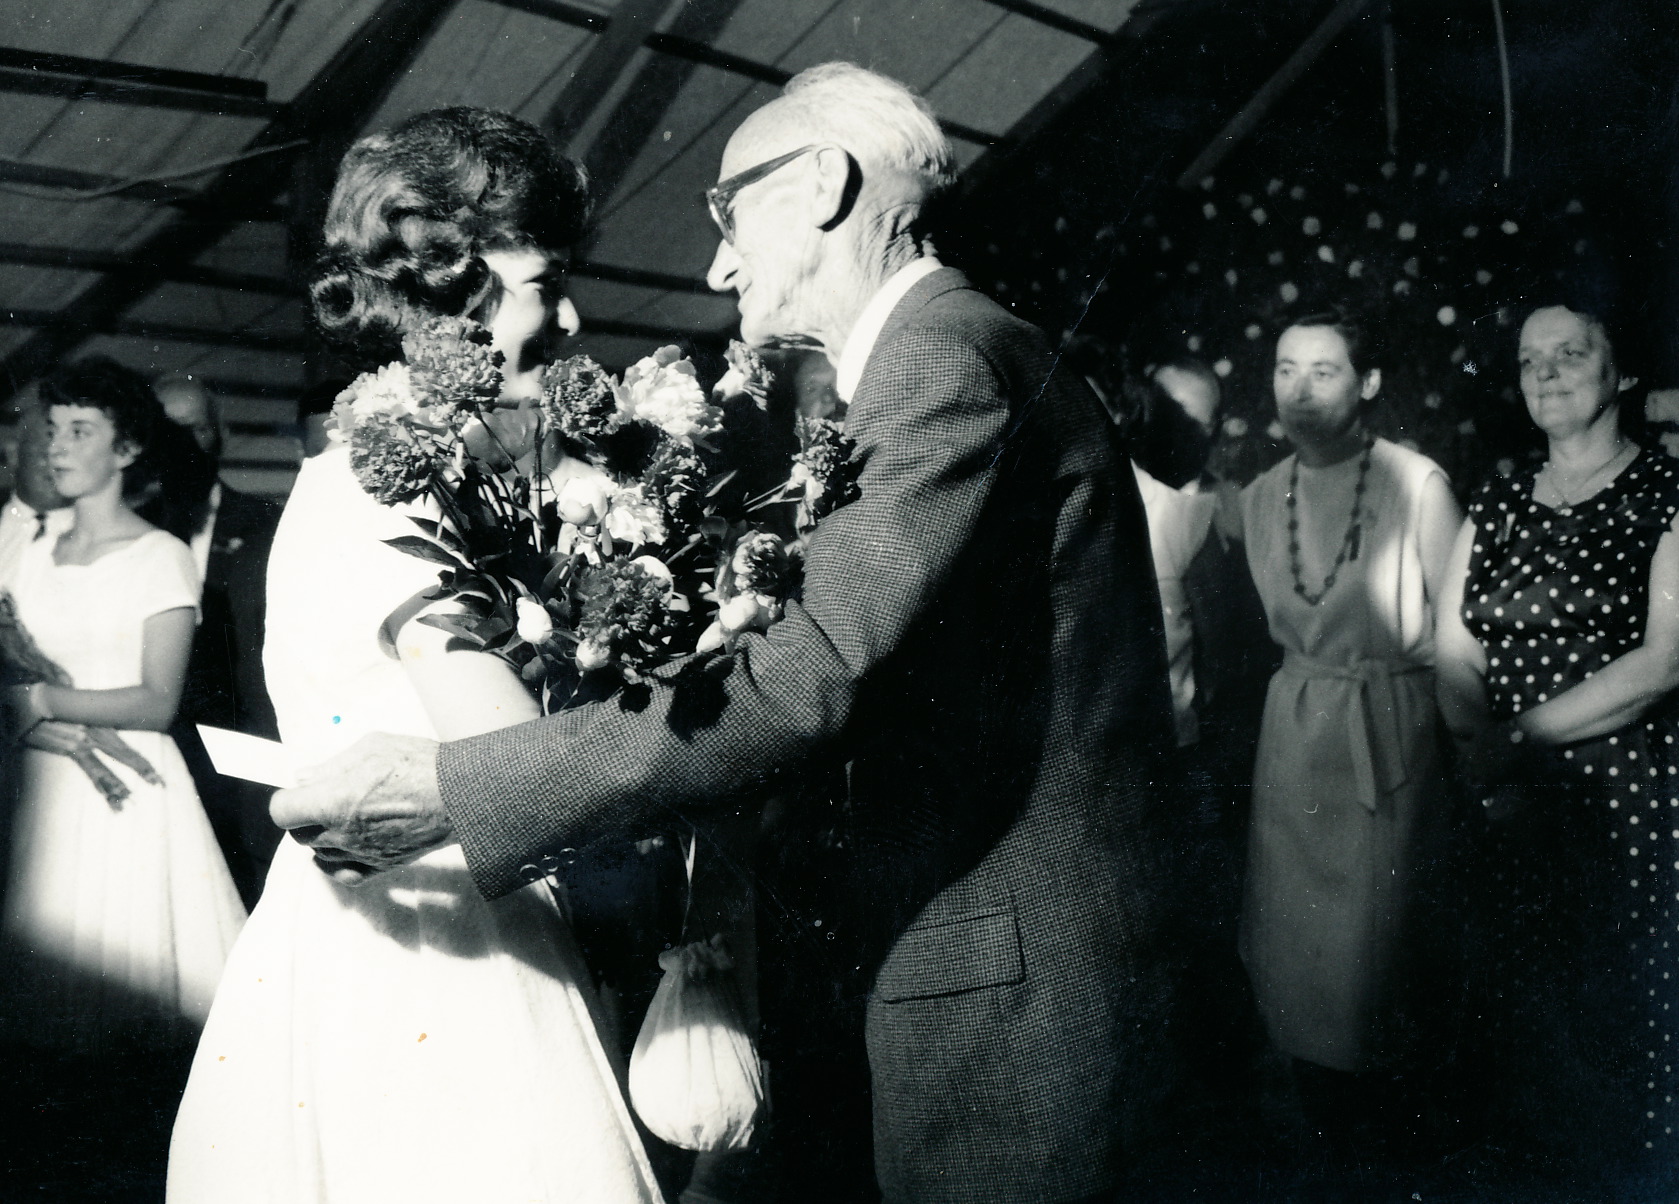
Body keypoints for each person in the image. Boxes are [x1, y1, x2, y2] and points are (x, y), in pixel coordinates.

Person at [269, 63, 1192, 1204]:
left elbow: (798, 681)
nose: (711, 263)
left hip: (1012, 988)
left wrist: (467, 788)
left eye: (725, 209)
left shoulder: (940, 359)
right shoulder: (941, 357)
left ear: (816, 183)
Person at [166, 107, 664, 1204]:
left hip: (449, 911)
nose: (571, 313)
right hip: (429, 960)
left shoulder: (424, 473)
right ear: (456, 284)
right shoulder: (378, 485)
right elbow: (516, 758)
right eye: (546, 281)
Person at [1435, 297, 1679, 1183]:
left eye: (1570, 353)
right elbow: (1452, 644)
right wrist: (1482, 758)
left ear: (1621, 374)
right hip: (1500, 800)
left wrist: (1508, 741)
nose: (1544, 371)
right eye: (1529, 359)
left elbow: (1662, 664)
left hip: (1620, 806)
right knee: (1516, 1036)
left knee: (1614, 1035)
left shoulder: (1666, 492)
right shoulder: (1498, 492)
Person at [1238, 309, 1461, 1146]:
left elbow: (1453, 641)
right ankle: (1324, 1146)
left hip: (1390, 739)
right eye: (1285, 369)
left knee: (1378, 975)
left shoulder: (1418, 484)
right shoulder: (1261, 496)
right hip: (1294, 742)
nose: (1299, 390)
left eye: (1323, 370)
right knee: (1300, 970)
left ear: (1367, 383)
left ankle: (1387, 1148)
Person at [0, 356, 246, 1049]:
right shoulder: (25, 549)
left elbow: (156, 700)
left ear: (128, 449)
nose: (57, 446)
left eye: (80, 431)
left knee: (133, 1021)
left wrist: (38, 699)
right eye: (53, 430)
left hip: (131, 799)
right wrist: (27, 719)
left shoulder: (159, 555)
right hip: (36, 791)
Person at [153, 374, 285, 907]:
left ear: (222, 433)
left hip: (246, 774)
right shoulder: (131, 532)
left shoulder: (267, 523)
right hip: (164, 766)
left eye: (197, 430)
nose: (184, 445)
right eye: (169, 431)